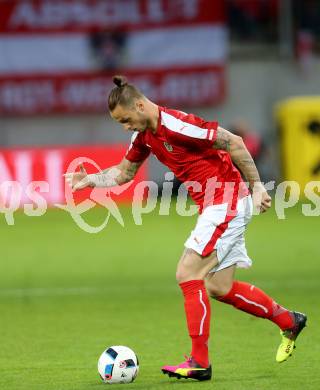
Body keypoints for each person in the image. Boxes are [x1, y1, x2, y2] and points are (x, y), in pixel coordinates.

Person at [64, 76, 307, 382]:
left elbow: (234, 141)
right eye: (120, 123)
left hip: (227, 200)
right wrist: (91, 181)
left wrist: (257, 187)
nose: (126, 127)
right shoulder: (144, 135)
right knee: (219, 287)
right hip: (216, 205)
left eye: (126, 119)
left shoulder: (177, 124)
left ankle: (199, 363)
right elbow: (125, 173)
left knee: (188, 272)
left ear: (140, 105)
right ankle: (290, 320)